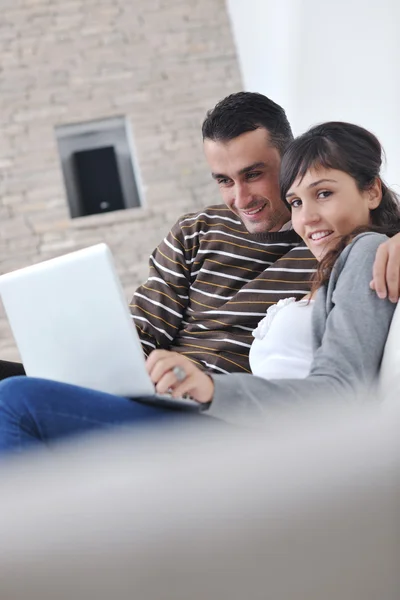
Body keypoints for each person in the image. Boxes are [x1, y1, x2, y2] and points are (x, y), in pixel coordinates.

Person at [0, 120, 398, 452]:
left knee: (17, 402)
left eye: (323, 194)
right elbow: (143, 328)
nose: (307, 217)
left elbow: (337, 390)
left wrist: (210, 389)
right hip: (180, 397)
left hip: (231, 427)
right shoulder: (207, 232)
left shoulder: (363, 250)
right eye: (295, 202)